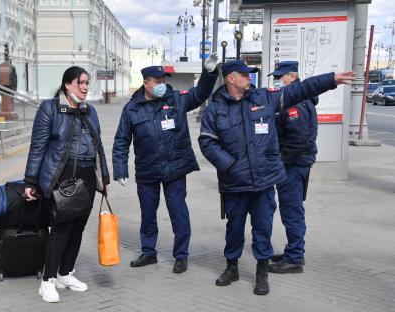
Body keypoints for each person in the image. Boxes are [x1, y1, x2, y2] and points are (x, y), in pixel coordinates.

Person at [198, 60, 354, 295]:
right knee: (234, 228)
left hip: (263, 181)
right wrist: (230, 166)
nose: (248, 77)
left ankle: (262, 274)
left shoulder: (263, 98)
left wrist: (331, 80)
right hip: (234, 182)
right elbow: (207, 142)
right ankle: (232, 268)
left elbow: (300, 90)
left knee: (263, 228)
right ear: (231, 78)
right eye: (244, 74)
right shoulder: (215, 108)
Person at [112, 54, 219, 274]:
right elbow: (121, 140)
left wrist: (209, 74)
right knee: (148, 213)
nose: (162, 85)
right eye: (158, 81)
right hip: (148, 169)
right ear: (146, 83)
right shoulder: (131, 109)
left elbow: (200, 94)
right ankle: (149, 252)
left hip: (175, 167)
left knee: (178, 211)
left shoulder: (177, 99)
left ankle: (181, 255)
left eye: (164, 81)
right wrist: (120, 169)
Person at [24, 66, 110, 303]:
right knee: (61, 229)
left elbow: (99, 146)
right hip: (62, 177)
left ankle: (65, 273)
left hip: (88, 177)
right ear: (67, 85)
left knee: (78, 227)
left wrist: (104, 178)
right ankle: (48, 281)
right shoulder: (49, 109)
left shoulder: (89, 111)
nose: (85, 87)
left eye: (87, 83)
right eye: (80, 83)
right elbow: (37, 147)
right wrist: (30, 181)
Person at [268, 61, 318, 274]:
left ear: (292, 77)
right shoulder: (299, 99)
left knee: (291, 210)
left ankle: (294, 258)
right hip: (297, 163)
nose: (278, 81)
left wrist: (282, 161)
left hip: (293, 165)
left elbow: (299, 140)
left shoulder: (295, 104)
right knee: (292, 209)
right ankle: (294, 251)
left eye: (281, 77)